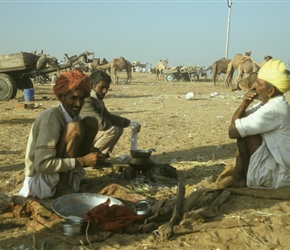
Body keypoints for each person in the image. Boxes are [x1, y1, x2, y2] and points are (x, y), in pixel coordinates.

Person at [19, 70, 104, 199]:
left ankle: (68, 181)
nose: (78, 104)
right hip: (42, 181)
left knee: (91, 122)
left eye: (82, 98)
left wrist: (93, 153)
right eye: (73, 98)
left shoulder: (74, 116)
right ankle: (62, 186)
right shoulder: (51, 118)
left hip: (67, 174)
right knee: (75, 128)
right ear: (62, 97)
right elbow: (42, 166)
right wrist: (83, 160)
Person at [214, 59, 290, 189]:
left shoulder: (273, 110)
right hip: (276, 164)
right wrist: (244, 105)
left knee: (243, 131)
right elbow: (236, 124)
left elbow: (232, 131)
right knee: (243, 128)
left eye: (258, 83)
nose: (253, 86)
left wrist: (244, 105)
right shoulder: (269, 104)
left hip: (278, 174)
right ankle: (239, 176)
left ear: (270, 91)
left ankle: (239, 177)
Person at [80, 70, 140, 162]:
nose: (105, 91)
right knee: (111, 130)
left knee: (119, 128)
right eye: (102, 87)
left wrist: (129, 122)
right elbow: (102, 124)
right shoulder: (86, 101)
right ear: (92, 86)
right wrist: (111, 121)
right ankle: (91, 157)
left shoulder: (97, 100)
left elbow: (109, 116)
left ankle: (102, 155)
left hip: (88, 136)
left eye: (107, 88)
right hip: (80, 141)